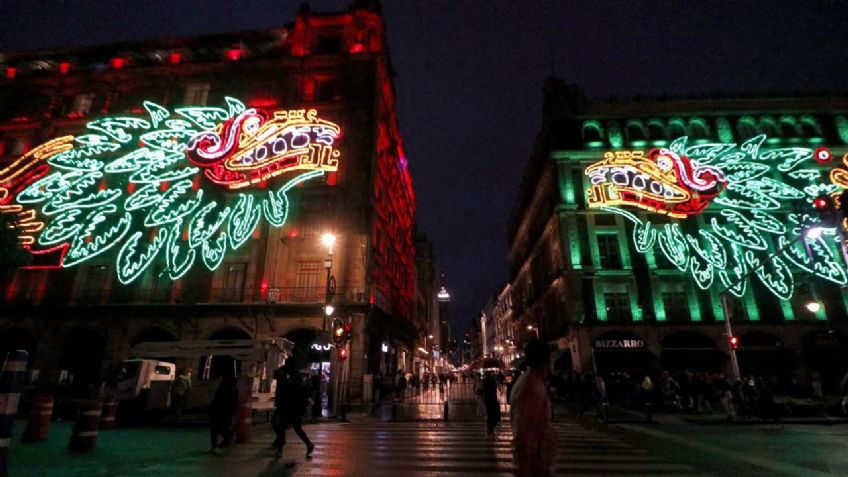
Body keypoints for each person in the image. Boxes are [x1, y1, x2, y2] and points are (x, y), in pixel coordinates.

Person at [510, 339, 556, 477]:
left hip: (541, 463)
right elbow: (522, 438)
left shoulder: (535, 382)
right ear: (547, 360)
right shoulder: (530, 388)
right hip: (535, 467)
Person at [272, 367, 315, 460]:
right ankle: (308, 443)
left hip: (286, 411)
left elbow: (282, 400)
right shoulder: (301, 387)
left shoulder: (287, 386)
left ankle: (279, 449)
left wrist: (278, 409)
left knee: (281, 429)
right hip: (296, 412)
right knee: (298, 430)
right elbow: (308, 398)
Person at [208, 373, 237, 453]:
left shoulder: (222, 390)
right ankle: (228, 438)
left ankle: (215, 446)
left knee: (215, 428)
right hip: (227, 412)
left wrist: (210, 408)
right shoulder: (233, 390)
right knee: (221, 427)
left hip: (219, 411)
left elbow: (216, 400)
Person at [483, 371, 501, 435]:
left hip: (487, 399)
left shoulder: (484, 381)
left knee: (489, 414)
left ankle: (489, 428)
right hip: (492, 399)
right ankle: (491, 427)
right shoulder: (491, 380)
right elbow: (494, 388)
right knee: (494, 414)